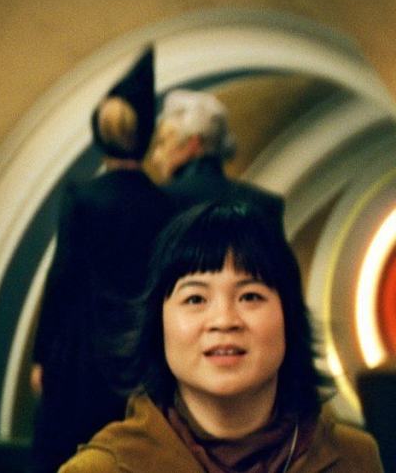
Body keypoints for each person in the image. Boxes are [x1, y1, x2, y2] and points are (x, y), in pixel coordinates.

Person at [59, 201, 384, 472]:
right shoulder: (100, 468)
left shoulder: (355, 458)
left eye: (250, 296)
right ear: (158, 324)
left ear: (289, 317)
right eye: (195, 299)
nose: (224, 321)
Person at [30, 47, 174, 471]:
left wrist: (42, 355)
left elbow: (62, 279)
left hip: (81, 355)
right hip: (141, 357)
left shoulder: (83, 197)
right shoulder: (164, 206)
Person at [150, 89, 284, 226]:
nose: (155, 157)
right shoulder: (266, 203)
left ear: (193, 144)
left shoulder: (161, 201)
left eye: (162, 143)